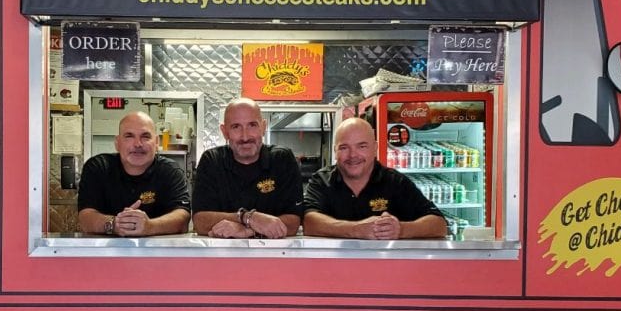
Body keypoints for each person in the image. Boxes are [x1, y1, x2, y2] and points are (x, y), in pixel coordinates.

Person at [303, 116, 448, 239]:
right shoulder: (321, 180)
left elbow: (439, 224)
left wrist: (401, 229)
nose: (353, 155)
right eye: (344, 148)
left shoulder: (395, 182)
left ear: (375, 148)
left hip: (385, 263)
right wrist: (356, 229)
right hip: (332, 263)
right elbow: (309, 223)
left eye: (362, 146)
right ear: (335, 151)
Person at [192, 98, 302, 238]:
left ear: (263, 127)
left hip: (274, 251)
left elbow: (293, 223)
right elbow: (200, 222)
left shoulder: (282, 159)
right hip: (222, 251)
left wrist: (247, 231)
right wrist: (246, 217)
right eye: (236, 127)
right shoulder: (212, 161)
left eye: (252, 125)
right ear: (224, 132)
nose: (245, 137)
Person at [77, 111, 191, 236]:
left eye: (145, 136)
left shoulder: (170, 171)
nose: (138, 144)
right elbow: (85, 218)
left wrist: (150, 226)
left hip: (158, 249)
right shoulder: (98, 168)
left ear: (157, 142)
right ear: (117, 143)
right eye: (129, 136)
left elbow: (183, 218)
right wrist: (115, 224)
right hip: (106, 248)